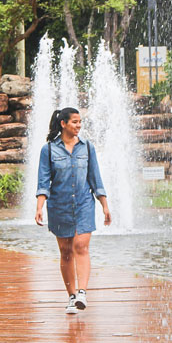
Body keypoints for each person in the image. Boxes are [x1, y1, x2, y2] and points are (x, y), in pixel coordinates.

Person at [35, 107, 111, 314]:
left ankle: (82, 292)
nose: (78, 126)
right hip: (59, 205)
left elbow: (96, 179)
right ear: (63, 124)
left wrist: (104, 205)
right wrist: (39, 207)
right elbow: (43, 182)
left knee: (81, 246)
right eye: (75, 122)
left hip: (84, 203)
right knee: (66, 251)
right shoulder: (49, 149)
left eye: (80, 122)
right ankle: (71, 296)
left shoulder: (87, 148)